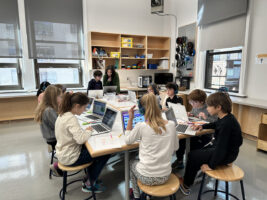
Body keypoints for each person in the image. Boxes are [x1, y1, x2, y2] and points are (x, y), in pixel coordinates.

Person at [179, 92, 243, 196]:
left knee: (192, 155)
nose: (207, 108)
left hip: (226, 155)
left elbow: (221, 148)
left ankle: (186, 185)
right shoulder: (226, 117)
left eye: (209, 106)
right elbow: (216, 124)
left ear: (218, 107)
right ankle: (191, 177)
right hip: (224, 151)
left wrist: (211, 165)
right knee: (197, 152)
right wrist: (203, 126)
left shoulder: (226, 124)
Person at [125, 93, 179, 200]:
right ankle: (144, 195)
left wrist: (130, 118)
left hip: (147, 177)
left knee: (131, 162)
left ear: (141, 110)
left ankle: (136, 196)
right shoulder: (172, 125)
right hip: (166, 175)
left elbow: (127, 140)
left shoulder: (141, 126)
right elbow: (175, 148)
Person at [55, 92, 110, 193]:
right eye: (84, 107)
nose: (85, 110)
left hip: (62, 152)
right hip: (71, 157)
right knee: (104, 153)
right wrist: (88, 131)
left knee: (92, 149)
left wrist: (84, 132)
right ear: (76, 106)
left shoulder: (63, 114)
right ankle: (90, 183)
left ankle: (89, 176)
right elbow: (80, 139)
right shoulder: (71, 118)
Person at [172, 89, 218, 170]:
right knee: (181, 140)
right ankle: (180, 161)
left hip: (203, 134)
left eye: (194, 102)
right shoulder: (195, 106)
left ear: (201, 102)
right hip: (194, 129)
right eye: (190, 102)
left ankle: (192, 165)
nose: (192, 104)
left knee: (193, 146)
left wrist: (206, 118)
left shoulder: (209, 108)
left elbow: (215, 122)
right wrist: (190, 114)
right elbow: (195, 116)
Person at [34, 85, 63, 149]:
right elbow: (58, 126)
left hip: (51, 136)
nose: (61, 99)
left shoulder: (47, 107)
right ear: (54, 98)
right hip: (53, 138)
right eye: (60, 97)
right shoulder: (49, 110)